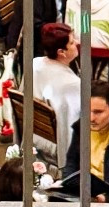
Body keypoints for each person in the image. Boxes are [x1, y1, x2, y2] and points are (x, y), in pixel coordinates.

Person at [61, 77, 109, 202]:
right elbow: (71, 164)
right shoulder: (81, 128)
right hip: (82, 198)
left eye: (98, 112)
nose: (91, 118)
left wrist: (108, 199)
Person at [27, 21, 81, 166]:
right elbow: (71, 127)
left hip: (33, 135)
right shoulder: (71, 84)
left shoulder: (34, 64)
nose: (77, 42)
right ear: (61, 52)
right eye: (71, 42)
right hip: (54, 143)